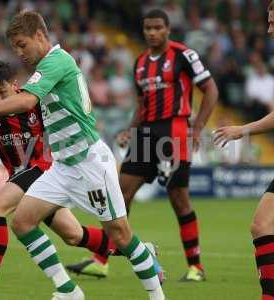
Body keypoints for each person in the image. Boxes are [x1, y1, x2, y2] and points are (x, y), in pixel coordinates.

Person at [0, 11, 166, 300]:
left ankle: (156, 293)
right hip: (63, 167)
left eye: (22, 44)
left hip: (90, 162)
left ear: (40, 36)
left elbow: (27, 100)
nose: (19, 52)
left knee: (121, 235)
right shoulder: (45, 68)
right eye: (15, 47)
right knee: (22, 222)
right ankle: (69, 291)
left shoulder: (57, 60)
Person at [0, 61, 151, 300]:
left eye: (2, 92)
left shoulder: (33, 102)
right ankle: (141, 252)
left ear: (15, 85)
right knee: (74, 235)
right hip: (23, 178)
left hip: (46, 169)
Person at [67, 9, 218, 282]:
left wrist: (196, 130)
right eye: (148, 28)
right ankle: (101, 261)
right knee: (119, 195)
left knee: (179, 200)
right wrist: (131, 130)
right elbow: (142, 104)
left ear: (168, 29)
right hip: (146, 134)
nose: (152, 32)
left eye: (157, 27)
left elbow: (211, 89)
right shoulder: (140, 62)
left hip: (174, 132)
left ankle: (196, 267)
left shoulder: (184, 55)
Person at [213, 1, 274, 299]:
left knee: (262, 224)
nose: (268, 30)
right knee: (262, 224)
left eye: (273, 23)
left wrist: (242, 129)